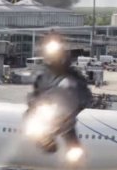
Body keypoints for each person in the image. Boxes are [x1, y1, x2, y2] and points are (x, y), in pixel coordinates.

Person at [25, 32, 92, 162]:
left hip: (65, 112)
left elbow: (84, 96)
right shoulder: (44, 77)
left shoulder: (72, 77)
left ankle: (72, 147)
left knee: (68, 132)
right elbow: (35, 95)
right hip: (51, 112)